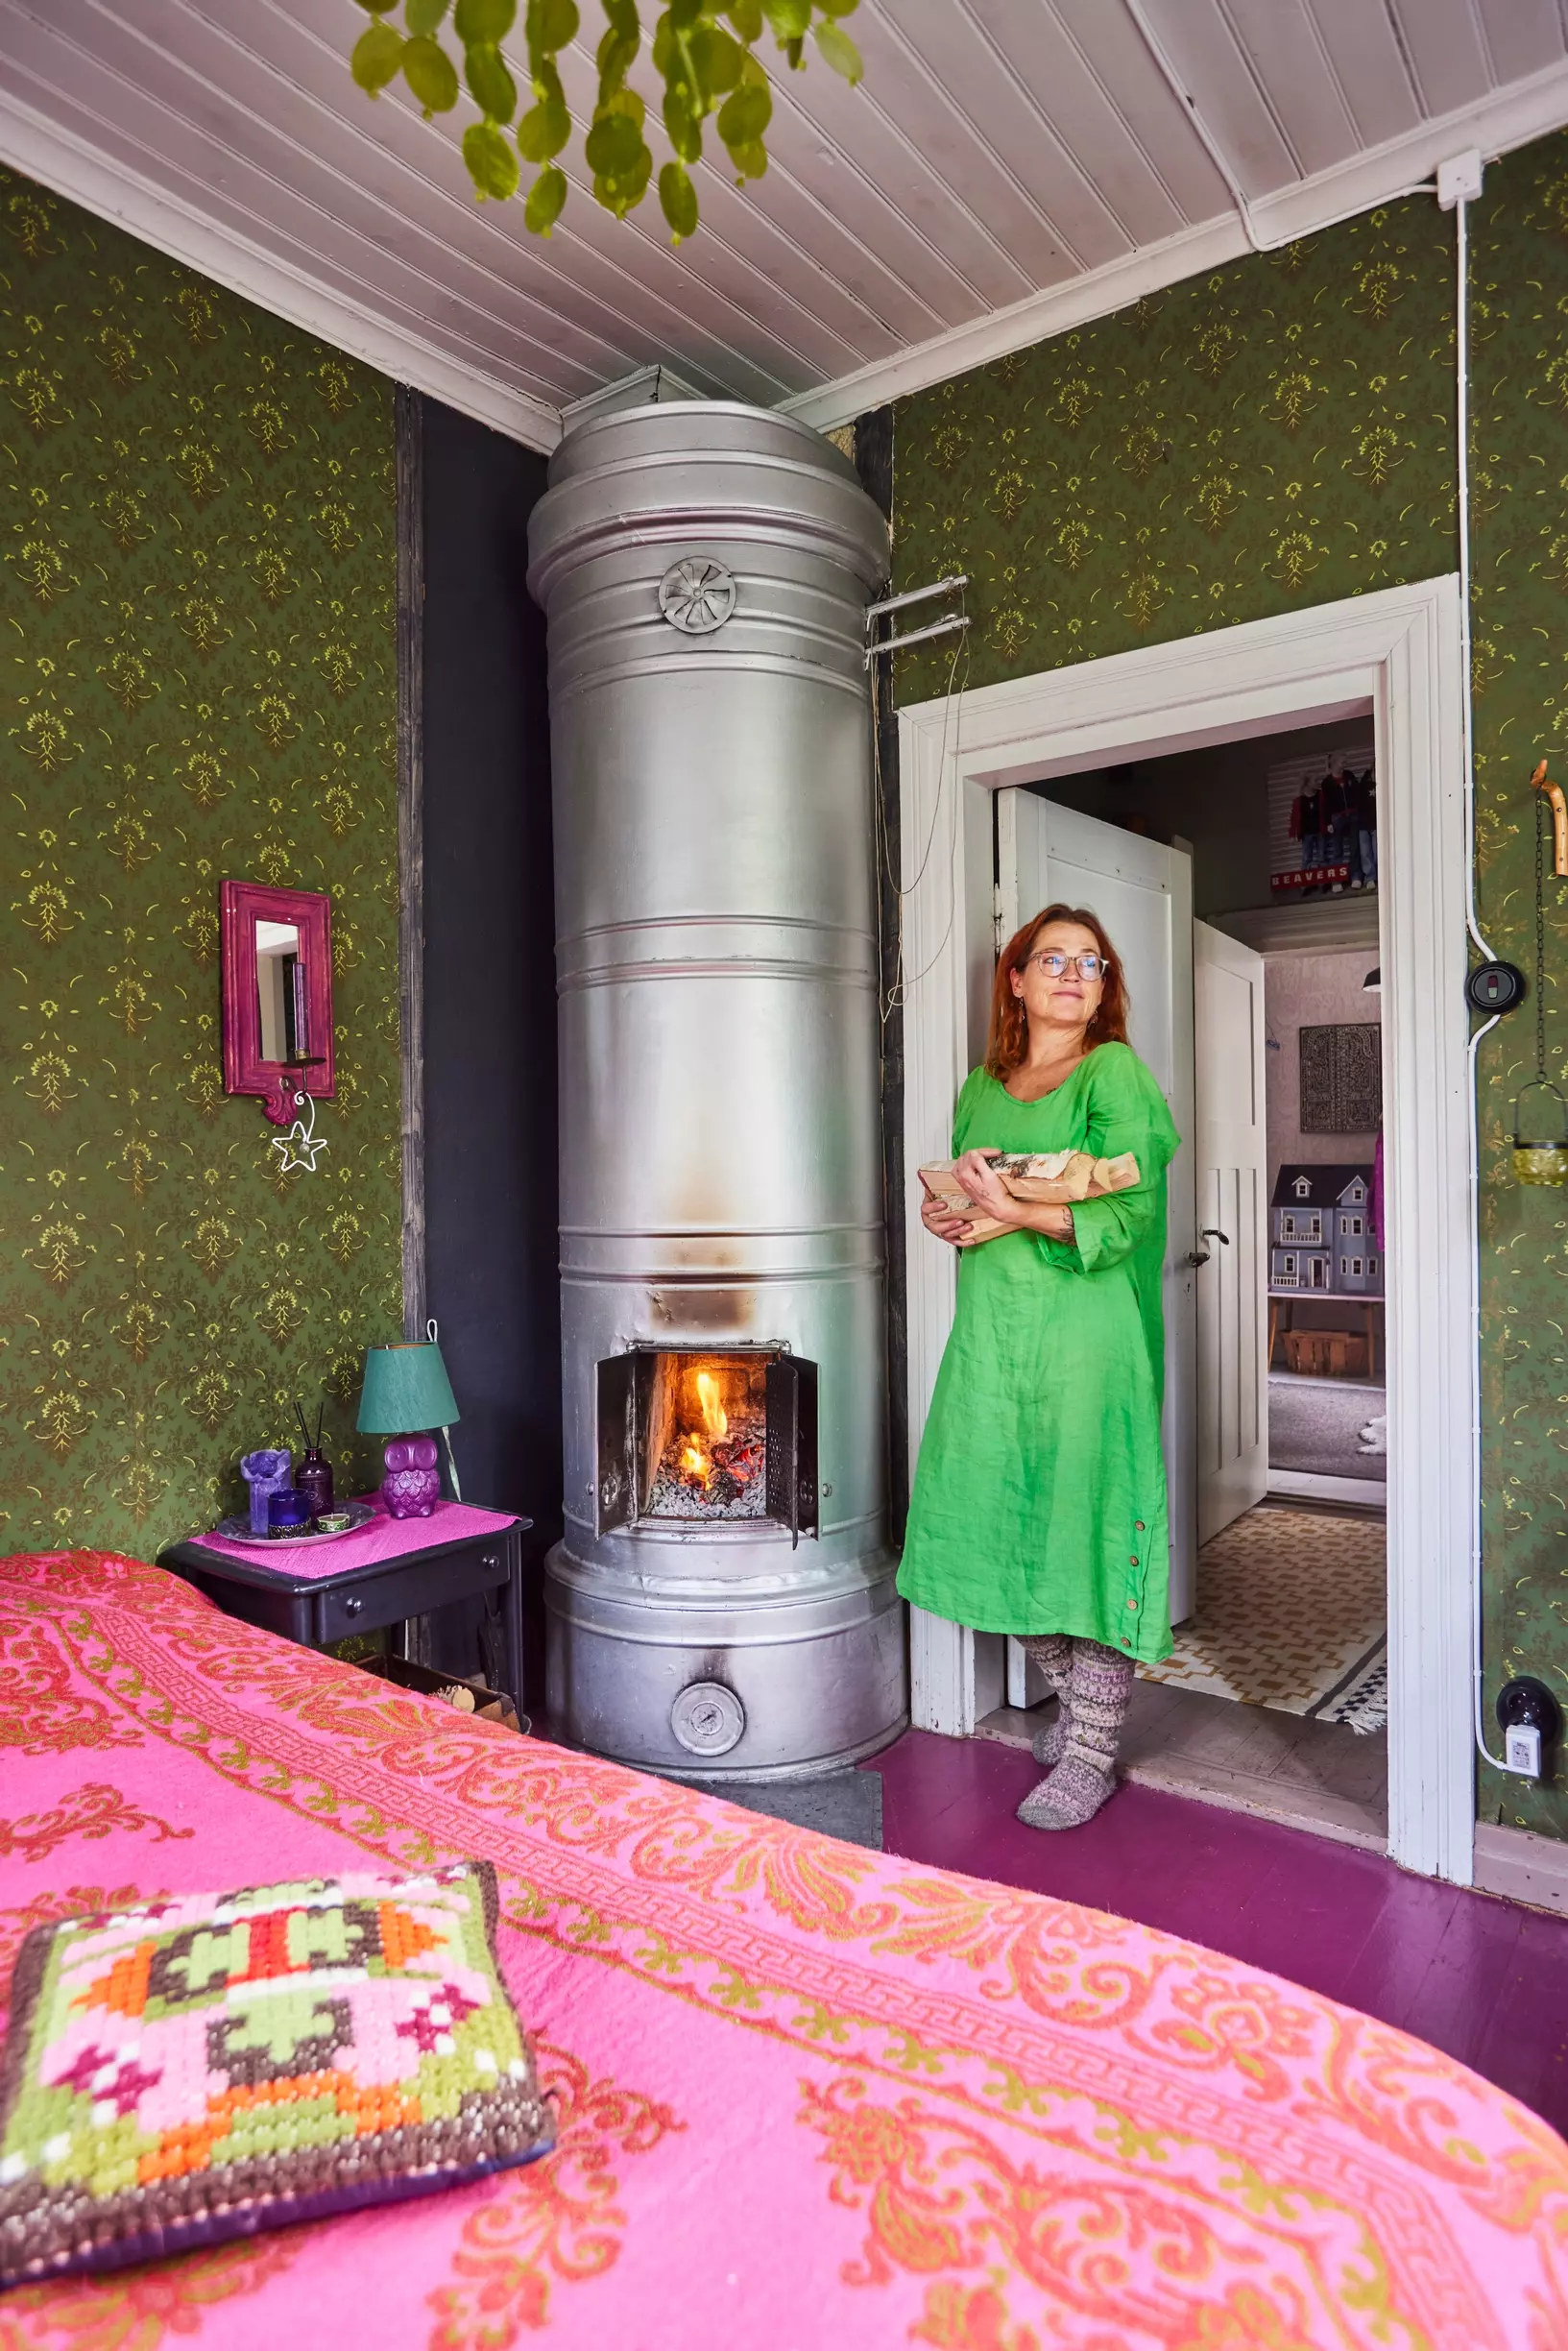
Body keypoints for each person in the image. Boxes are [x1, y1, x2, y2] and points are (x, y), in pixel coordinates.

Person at [897, 905, 1180, 1830]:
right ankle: (1080, 1710)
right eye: (1049, 959)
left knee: (1086, 1533)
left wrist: (1013, 1209)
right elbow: (973, 1208)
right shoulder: (981, 1085)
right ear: (1014, 979)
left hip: (1089, 1344)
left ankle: (1093, 1748)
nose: (1070, 973)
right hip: (995, 1340)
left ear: (1103, 987)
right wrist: (952, 1220)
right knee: (990, 1520)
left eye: (1088, 962)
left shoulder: (1114, 1072)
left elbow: (1124, 1216)